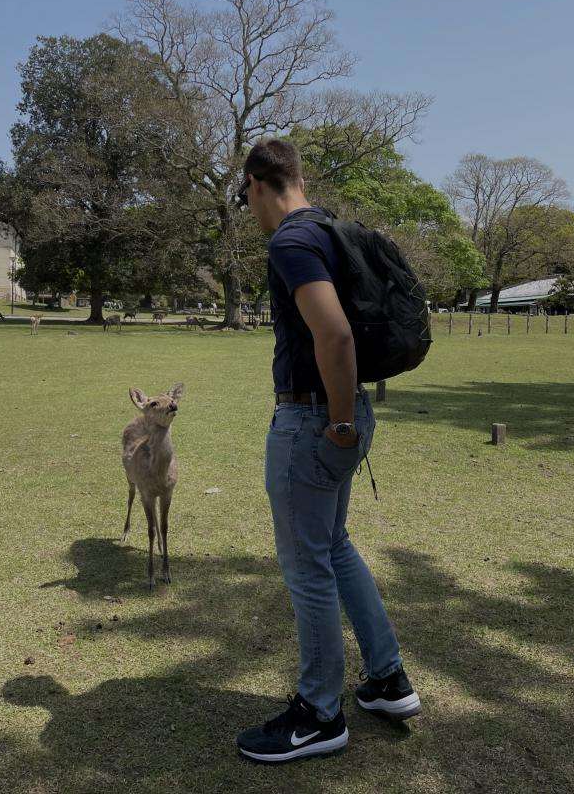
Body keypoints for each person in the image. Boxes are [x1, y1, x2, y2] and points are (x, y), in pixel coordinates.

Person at [234, 139, 420, 763]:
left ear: (260, 183)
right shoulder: (331, 233)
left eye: (246, 196)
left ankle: (319, 713)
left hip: (316, 419)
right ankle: (388, 679)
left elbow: (334, 333)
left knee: (307, 566)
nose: (250, 208)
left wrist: (337, 424)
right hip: (344, 414)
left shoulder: (291, 241)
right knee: (334, 547)